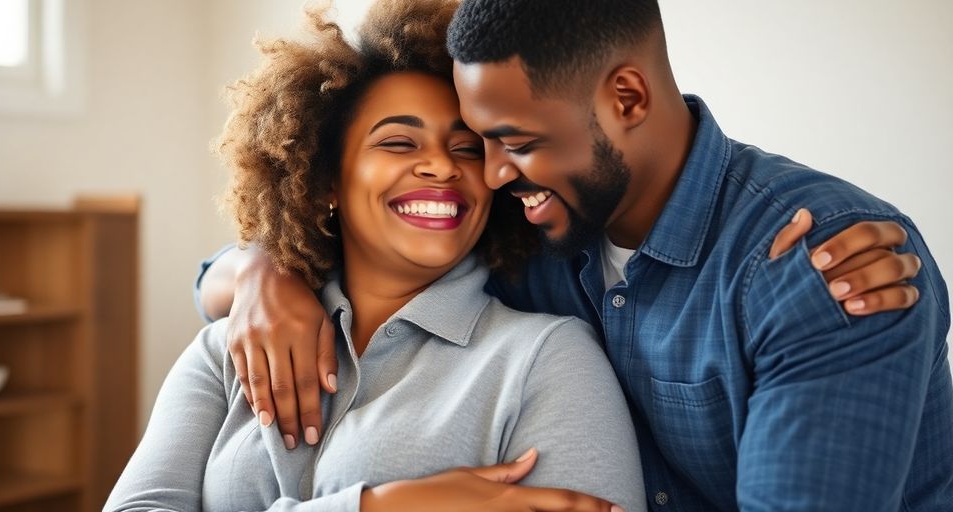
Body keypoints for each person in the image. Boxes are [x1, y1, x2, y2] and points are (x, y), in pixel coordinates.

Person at [198, 0, 952, 510]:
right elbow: (357, 247)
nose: (487, 176)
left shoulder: (818, 271)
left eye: (515, 143)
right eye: (482, 142)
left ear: (626, 98)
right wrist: (259, 271)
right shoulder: (542, 230)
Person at [106, 1, 646, 511]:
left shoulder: (545, 360)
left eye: (465, 148)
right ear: (324, 181)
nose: (441, 166)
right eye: (398, 143)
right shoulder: (224, 350)